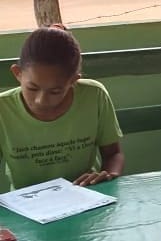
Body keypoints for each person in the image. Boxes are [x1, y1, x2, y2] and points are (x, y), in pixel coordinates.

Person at [0, 25, 124, 191]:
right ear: (18, 74)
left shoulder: (95, 96)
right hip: (27, 207)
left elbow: (113, 154)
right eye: (32, 88)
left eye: (55, 91)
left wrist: (108, 174)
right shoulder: (3, 109)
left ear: (73, 81)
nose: (41, 101)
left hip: (85, 195)